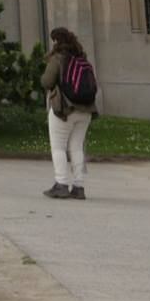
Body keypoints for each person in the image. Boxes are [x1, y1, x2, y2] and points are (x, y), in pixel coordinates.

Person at [41, 26, 98, 199]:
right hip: (86, 110)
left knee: (58, 147)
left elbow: (47, 81)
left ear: (56, 41)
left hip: (65, 109)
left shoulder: (58, 58)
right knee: (76, 147)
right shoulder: (82, 59)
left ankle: (61, 184)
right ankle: (79, 187)